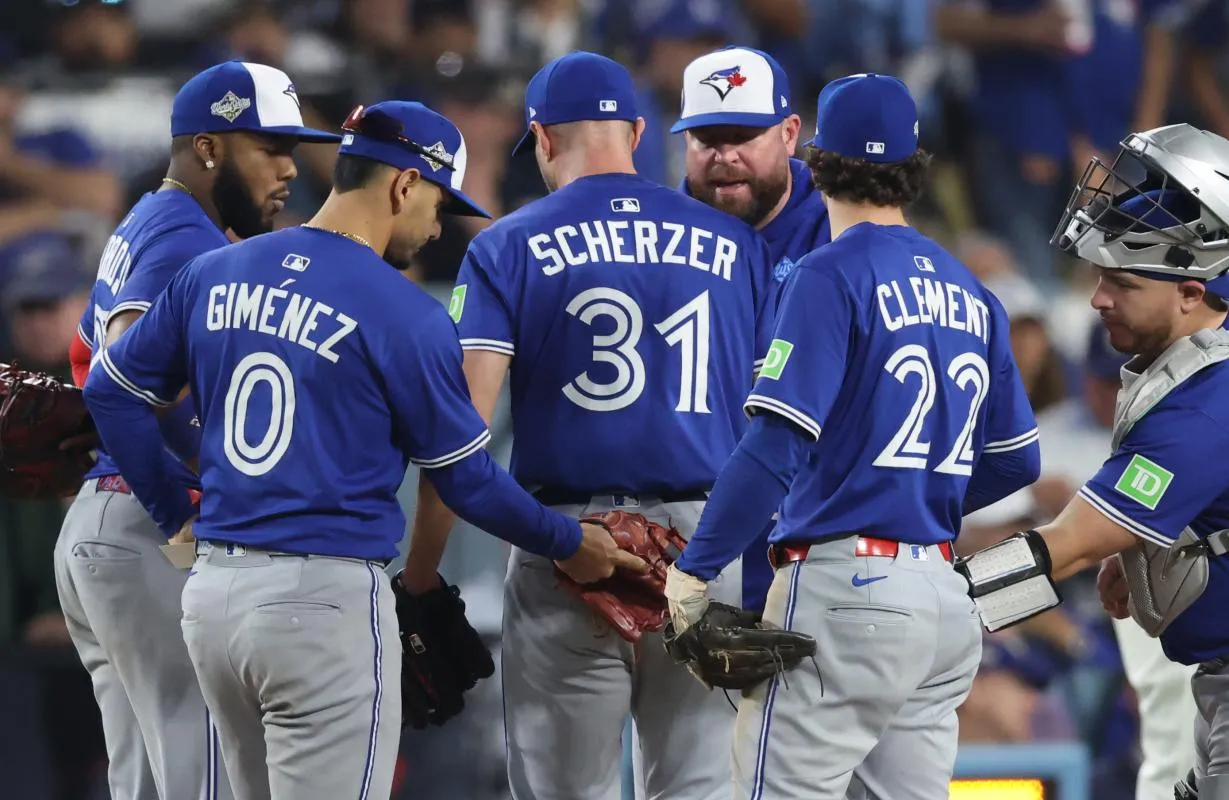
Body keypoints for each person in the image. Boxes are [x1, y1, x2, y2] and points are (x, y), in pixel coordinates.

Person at [80, 98, 643, 800]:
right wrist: (566, 541)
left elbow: (110, 391)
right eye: (438, 201)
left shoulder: (217, 271)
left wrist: (175, 516)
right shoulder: (400, 311)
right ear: (405, 184)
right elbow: (466, 481)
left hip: (215, 601)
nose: (438, 226)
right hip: (321, 602)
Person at [663, 73, 1042, 799]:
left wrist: (694, 570)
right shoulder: (973, 291)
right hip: (940, 599)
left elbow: (773, 448)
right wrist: (910, 498)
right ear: (912, 163)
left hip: (847, 589)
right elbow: (1016, 459)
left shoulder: (825, 273)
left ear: (810, 157)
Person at [407, 51, 775, 800]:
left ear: (540, 139)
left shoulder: (506, 244)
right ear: (638, 131)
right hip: (703, 544)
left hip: (567, 545)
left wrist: (420, 577)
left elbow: (460, 445)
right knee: (698, 789)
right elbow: (773, 430)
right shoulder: (738, 247)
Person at [53, 60, 339, 800]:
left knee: (149, 782)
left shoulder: (158, 218)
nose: (289, 169)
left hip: (107, 526)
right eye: (268, 148)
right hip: (146, 526)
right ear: (209, 148)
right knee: (203, 774)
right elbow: (124, 376)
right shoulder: (184, 236)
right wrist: (182, 509)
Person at [955, 123, 1229, 800]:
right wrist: (1143, 549)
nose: (1097, 298)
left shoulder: (1205, 403)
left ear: (1191, 292)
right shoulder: (1202, 372)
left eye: (1122, 281)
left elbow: (1065, 549)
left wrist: (938, 608)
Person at [672, 43, 831, 614]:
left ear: (790, 133)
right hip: (686, 523)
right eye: (705, 138)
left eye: (742, 135)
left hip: (811, 531)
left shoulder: (838, 228)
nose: (723, 155)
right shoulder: (659, 239)